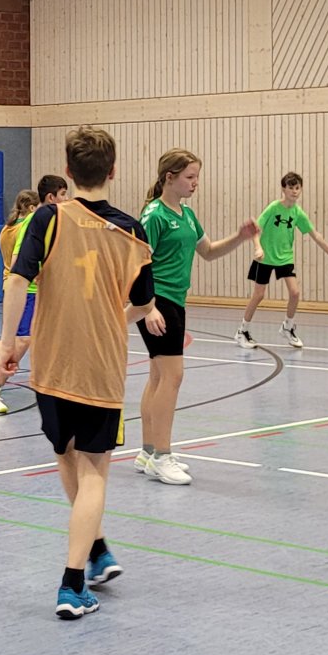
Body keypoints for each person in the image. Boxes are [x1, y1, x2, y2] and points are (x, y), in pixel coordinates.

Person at [0, 127, 159, 620]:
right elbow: (143, 305)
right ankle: (72, 584)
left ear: (68, 171)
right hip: (100, 367)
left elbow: (18, 280)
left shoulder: (48, 217)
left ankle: (97, 549)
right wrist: (111, 317)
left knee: (66, 454)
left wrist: (8, 344)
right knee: (94, 471)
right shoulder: (132, 231)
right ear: (113, 171)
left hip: (51, 364)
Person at [135, 150, 256, 486]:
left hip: (177, 300)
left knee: (158, 377)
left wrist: (241, 237)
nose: (195, 183)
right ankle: (162, 456)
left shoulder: (187, 215)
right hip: (159, 301)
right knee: (173, 377)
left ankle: (148, 452)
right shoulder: (154, 216)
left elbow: (209, 251)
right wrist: (148, 307)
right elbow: (137, 265)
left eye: (197, 177)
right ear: (169, 177)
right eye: (190, 177)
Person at [0, 175, 68, 415]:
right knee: (21, 340)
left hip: (47, 294)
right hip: (29, 292)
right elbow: (17, 264)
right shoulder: (35, 222)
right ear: (51, 197)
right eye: (63, 194)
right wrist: (40, 276)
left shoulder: (55, 222)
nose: (67, 199)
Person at [234, 172, 328, 351]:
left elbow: (316, 235)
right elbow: (255, 229)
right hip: (265, 257)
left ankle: (287, 327)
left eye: (297, 188)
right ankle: (242, 331)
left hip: (285, 257)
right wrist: (258, 247)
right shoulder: (273, 208)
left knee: (295, 293)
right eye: (291, 188)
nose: (294, 191)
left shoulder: (297, 212)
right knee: (259, 295)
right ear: (283, 189)